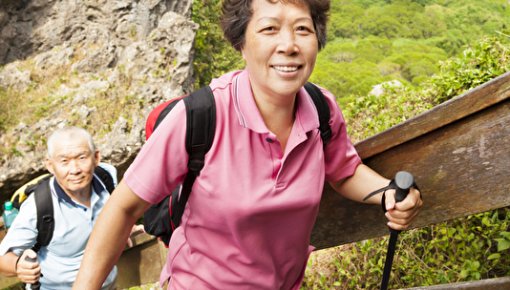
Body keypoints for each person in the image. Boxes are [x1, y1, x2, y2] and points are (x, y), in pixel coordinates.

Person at [73, 0, 423, 289]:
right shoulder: (199, 117)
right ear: (241, 42)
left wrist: (387, 192)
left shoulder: (321, 109)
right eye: (269, 29)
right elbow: (123, 208)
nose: (288, 44)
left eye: (302, 29)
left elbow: (344, 171)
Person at [0, 127, 120, 289]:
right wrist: (19, 266)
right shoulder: (39, 206)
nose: (75, 169)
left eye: (82, 157)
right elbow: (3, 259)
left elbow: (118, 209)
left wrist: (125, 227)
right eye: (64, 161)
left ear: (96, 157)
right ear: (50, 165)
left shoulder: (107, 178)